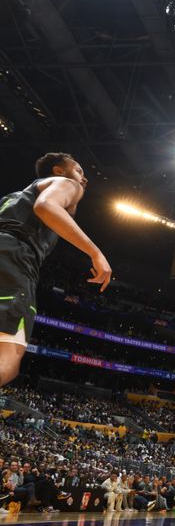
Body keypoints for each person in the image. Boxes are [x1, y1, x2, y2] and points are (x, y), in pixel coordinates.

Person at [0, 153, 112, 387]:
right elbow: (46, 206)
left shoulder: (12, 198)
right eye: (79, 170)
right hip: (13, 258)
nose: (84, 179)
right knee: (8, 355)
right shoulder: (67, 184)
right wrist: (95, 253)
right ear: (59, 171)